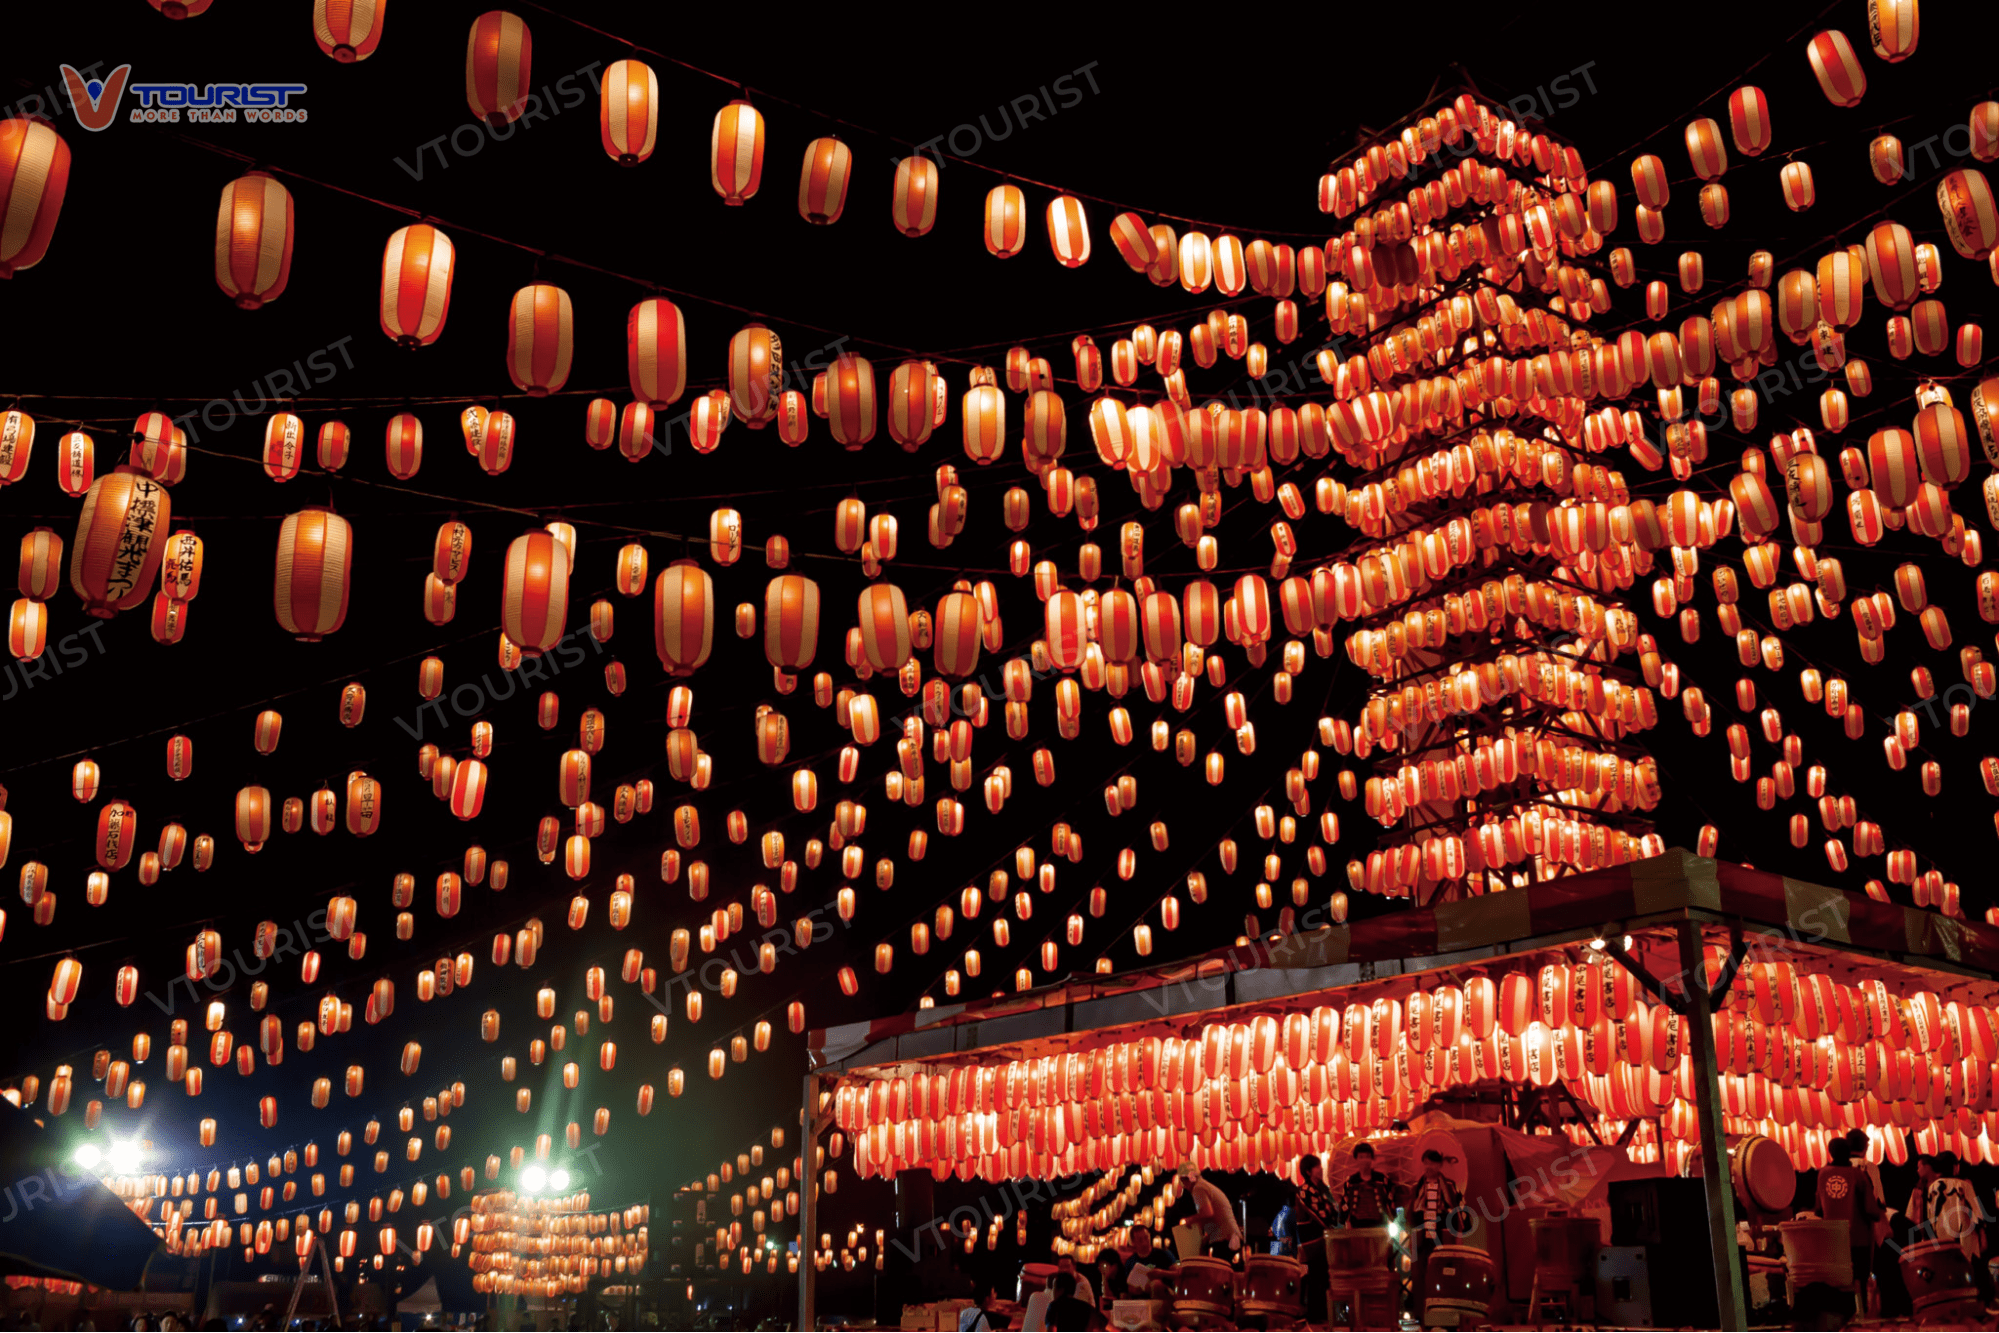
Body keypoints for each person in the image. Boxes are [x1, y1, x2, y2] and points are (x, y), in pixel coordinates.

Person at [1815, 1135, 1879, 1314]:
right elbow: (1870, 1209)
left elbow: (1818, 1209)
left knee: (1839, 1281)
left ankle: (1841, 1316)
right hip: (1858, 1238)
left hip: (1833, 1239)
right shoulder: (1857, 1174)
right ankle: (1861, 1315)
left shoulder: (1822, 1174)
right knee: (1860, 1278)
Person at [1292, 1155, 1337, 1323]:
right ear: (1309, 1171)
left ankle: (1323, 1314)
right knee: (1316, 1277)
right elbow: (1320, 1215)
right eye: (1317, 1167)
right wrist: (1331, 1223)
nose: (1321, 1169)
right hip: (1313, 1242)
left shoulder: (1321, 1189)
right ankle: (1315, 1316)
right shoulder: (1305, 1191)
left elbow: (1332, 1211)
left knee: (1323, 1276)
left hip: (1322, 1240)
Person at [1407, 1150, 1465, 1276]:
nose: (1429, 1167)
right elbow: (1411, 1211)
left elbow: (1456, 1210)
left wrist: (1458, 1234)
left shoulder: (1449, 1185)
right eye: (1426, 1163)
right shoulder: (1417, 1186)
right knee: (1421, 1268)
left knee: (1443, 1265)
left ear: (1439, 1165)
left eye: (1432, 1163)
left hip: (1442, 1230)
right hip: (1421, 1232)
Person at [1177, 1163, 1242, 1259]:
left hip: (1225, 1240)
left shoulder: (1198, 1188)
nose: (1185, 1187)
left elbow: (1208, 1212)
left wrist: (1190, 1220)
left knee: (1219, 1272)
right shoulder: (1205, 1186)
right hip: (1231, 1237)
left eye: (1183, 1182)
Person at [1336, 1143, 1396, 1229]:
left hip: (1380, 1225)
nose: (1365, 1160)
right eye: (1361, 1157)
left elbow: (1390, 1199)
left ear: (1372, 1159)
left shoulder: (1382, 1179)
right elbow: (1345, 1204)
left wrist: (1392, 1218)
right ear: (1356, 1159)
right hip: (1357, 1225)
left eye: (1368, 1156)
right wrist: (1345, 1221)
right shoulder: (1350, 1181)